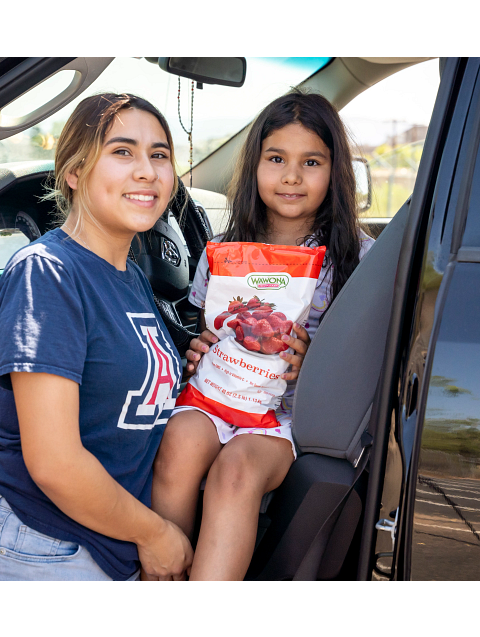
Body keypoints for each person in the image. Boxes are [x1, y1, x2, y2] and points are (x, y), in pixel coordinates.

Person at [0, 93, 193, 581]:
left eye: (159, 154)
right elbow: (55, 462)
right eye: (122, 151)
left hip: (109, 548)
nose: (147, 170)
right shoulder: (49, 274)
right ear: (74, 173)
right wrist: (156, 534)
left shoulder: (131, 277)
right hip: (36, 550)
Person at [150, 89, 375, 580]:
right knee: (177, 444)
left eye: (310, 161)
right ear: (255, 165)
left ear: (334, 171)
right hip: (213, 398)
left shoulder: (356, 258)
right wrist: (199, 348)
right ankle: (162, 574)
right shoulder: (226, 250)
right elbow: (204, 329)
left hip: (283, 418)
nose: (291, 176)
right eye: (276, 158)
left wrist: (315, 360)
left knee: (236, 470)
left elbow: (368, 360)